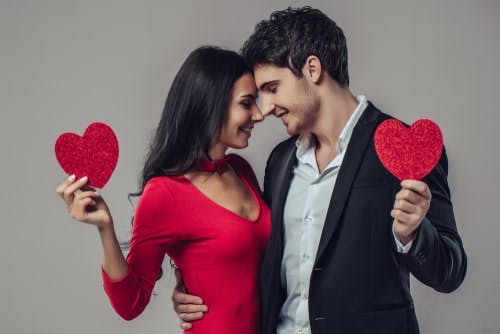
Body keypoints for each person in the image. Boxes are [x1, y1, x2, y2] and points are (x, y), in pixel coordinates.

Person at [172, 7, 467, 334]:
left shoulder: (402, 149)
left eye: (272, 88)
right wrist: (195, 284)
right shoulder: (280, 162)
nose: (265, 108)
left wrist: (412, 234)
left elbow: (451, 271)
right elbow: (259, 257)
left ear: (312, 68)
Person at [56, 46, 271, 334]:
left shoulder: (241, 169)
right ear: (211, 105)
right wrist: (105, 228)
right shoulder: (165, 193)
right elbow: (131, 303)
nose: (259, 114)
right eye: (247, 103)